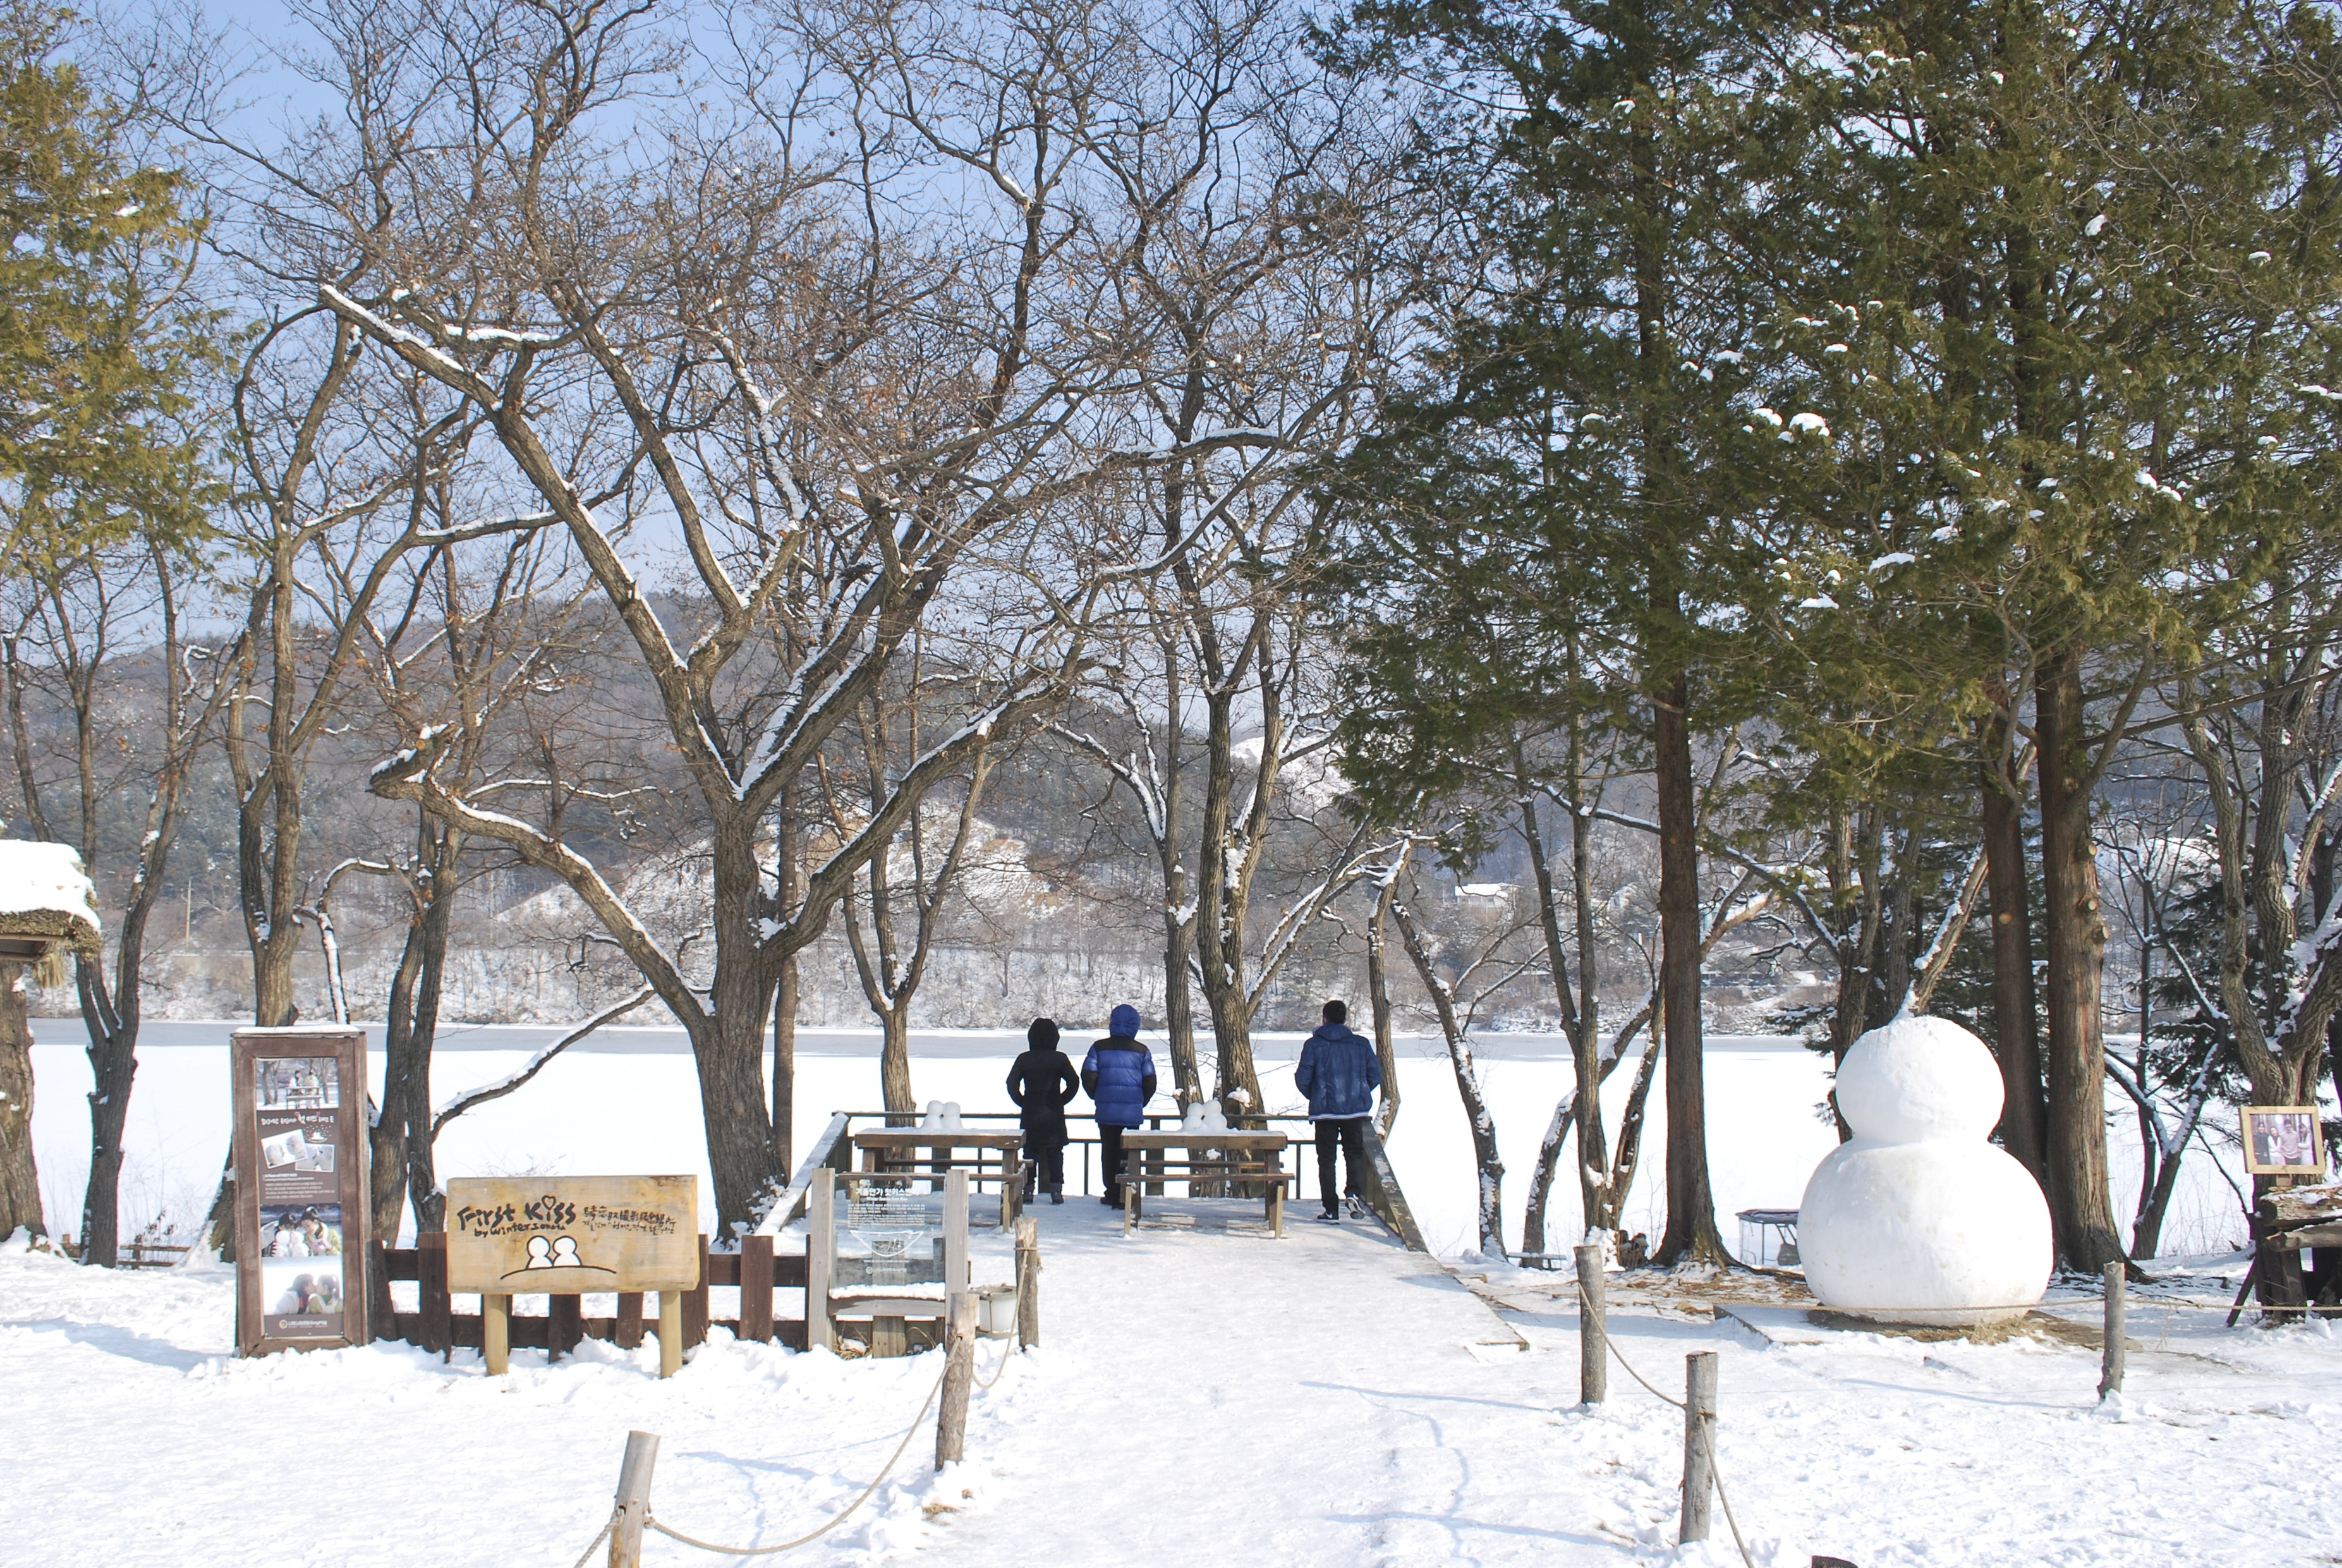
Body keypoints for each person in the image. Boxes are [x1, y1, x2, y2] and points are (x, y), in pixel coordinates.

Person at [1294, 999, 1381, 1222]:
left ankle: (1331, 1208)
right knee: (1354, 1153)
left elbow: (1303, 1078)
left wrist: (1317, 1096)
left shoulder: (1314, 1045)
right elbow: (1375, 1076)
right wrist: (1358, 1092)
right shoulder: (1361, 1044)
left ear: (1324, 1019)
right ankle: (1353, 1192)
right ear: (1345, 1019)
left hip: (1325, 1113)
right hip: (1354, 1112)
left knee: (1326, 1159)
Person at [1082, 1004, 1156, 1206]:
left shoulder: (1098, 1047)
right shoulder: (1142, 1051)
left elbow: (1088, 1075)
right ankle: (1128, 1194)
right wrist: (1139, 1102)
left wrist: (1098, 1096)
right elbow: (1150, 1081)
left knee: (1109, 1151)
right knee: (1128, 1153)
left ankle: (1113, 1193)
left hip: (1106, 1111)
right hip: (1131, 1113)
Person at [1007, 1018, 1081, 1205]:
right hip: (1054, 1111)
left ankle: (1028, 1190)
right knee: (1055, 1151)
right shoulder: (1060, 1059)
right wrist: (1061, 1100)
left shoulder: (1024, 1058)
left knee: (1030, 1152)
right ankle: (1056, 1191)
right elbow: (1074, 1082)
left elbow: (1012, 1084)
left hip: (1031, 1111)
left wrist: (1023, 1101)